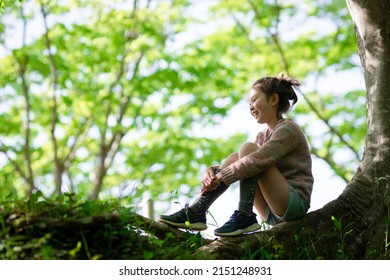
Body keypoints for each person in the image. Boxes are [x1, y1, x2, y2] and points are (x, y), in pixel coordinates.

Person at [157, 74, 314, 237]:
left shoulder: (288, 130)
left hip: (293, 204)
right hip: (270, 211)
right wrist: (213, 172)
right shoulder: (262, 137)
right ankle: (197, 210)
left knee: (248, 150)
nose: (251, 107)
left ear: (273, 100)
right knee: (238, 156)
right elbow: (243, 162)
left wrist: (222, 176)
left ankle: (244, 214)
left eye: (254, 100)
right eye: (249, 103)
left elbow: (256, 160)